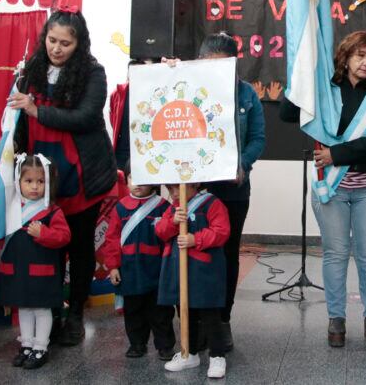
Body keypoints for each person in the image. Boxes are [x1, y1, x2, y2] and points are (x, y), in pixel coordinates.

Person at [279, 30, 366, 348]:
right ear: (345, 57)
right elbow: (287, 113)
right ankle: (336, 319)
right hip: (332, 189)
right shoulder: (325, 90)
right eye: (360, 55)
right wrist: (300, 76)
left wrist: (335, 154)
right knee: (335, 254)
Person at [8, 9, 117, 346]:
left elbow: (85, 117)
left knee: (80, 247)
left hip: (79, 172)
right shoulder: (32, 70)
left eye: (65, 43)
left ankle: (75, 316)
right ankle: (49, 313)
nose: (56, 48)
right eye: (52, 40)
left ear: (78, 43)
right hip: (40, 176)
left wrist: (37, 110)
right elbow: (19, 120)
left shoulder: (93, 72)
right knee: (46, 247)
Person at [191, 33, 265, 352]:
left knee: (227, 254)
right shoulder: (188, 89)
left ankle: (222, 320)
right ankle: (195, 322)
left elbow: (257, 139)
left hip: (234, 191)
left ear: (235, 64)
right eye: (209, 66)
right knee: (195, 252)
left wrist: (243, 164)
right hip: (195, 190)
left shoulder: (247, 95)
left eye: (223, 66)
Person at [0, 154, 72, 370]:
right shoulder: (11, 208)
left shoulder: (52, 210)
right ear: (18, 182)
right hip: (19, 269)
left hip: (42, 271)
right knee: (24, 308)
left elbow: (64, 236)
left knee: (41, 309)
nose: (35, 187)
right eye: (28, 181)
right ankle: (27, 344)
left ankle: (41, 347)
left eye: (41, 181)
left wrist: (44, 233)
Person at [156, 182, 231, 379]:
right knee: (184, 312)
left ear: (194, 184)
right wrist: (172, 222)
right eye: (170, 189)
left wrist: (195, 239)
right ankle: (188, 353)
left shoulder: (211, 203)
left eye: (177, 188)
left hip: (204, 271)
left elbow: (222, 232)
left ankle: (217, 356)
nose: (173, 193)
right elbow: (161, 232)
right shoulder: (172, 208)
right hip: (178, 270)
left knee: (209, 314)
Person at [103, 166, 174, 360]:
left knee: (161, 311)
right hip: (129, 270)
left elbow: (169, 239)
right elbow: (112, 239)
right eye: (133, 177)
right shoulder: (120, 207)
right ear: (126, 180)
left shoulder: (163, 206)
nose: (138, 183)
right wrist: (113, 266)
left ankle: (165, 346)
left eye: (143, 178)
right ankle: (137, 343)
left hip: (156, 270)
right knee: (133, 311)